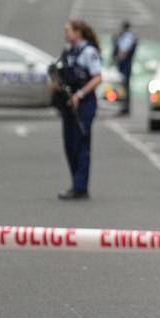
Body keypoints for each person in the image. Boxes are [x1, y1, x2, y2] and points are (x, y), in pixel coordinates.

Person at [52, 20, 103, 200]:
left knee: (81, 142)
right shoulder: (68, 52)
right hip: (68, 101)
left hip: (84, 102)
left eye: (68, 31)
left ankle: (80, 186)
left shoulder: (88, 52)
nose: (65, 34)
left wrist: (80, 94)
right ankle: (76, 182)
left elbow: (97, 77)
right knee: (69, 144)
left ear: (78, 32)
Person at [112, 21, 138, 116]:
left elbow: (124, 51)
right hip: (125, 64)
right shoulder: (129, 36)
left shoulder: (127, 37)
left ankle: (124, 106)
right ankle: (124, 106)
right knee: (123, 86)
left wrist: (118, 57)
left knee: (124, 86)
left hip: (125, 65)